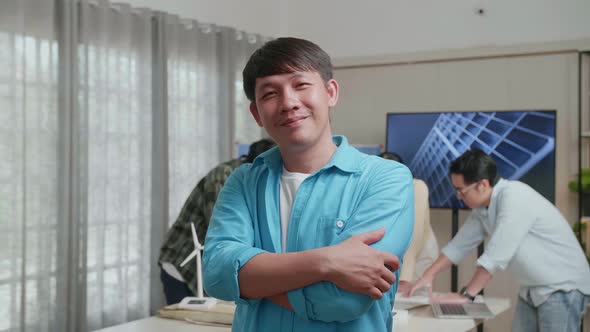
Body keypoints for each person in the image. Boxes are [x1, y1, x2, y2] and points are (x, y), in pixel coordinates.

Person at [202, 37, 414, 331]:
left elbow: (344, 300)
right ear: (256, 114)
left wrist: (250, 282)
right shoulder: (244, 181)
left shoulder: (386, 178)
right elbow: (216, 275)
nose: (288, 102)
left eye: (300, 85)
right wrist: (327, 262)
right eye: (270, 93)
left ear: (330, 92)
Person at [408, 148, 590, 332]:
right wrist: (427, 276)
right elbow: (458, 246)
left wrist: (467, 296)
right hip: (532, 288)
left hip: (563, 287)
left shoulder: (514, 197)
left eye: (461, 191)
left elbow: (496, 255)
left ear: (482, 184)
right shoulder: (483, 209)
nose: (459, 197)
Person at [158, 138, 275, 305]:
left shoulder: (258, 180)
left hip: (209, 264)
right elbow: (222, 228)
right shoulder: (224, 176)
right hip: (184, 262)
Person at [378, 152, 439, 293]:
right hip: (392, 255)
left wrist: (405, 278)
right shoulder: (375, 188)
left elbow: (414, 232)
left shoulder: (416, 186)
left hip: (417, 256)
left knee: (411, 306)